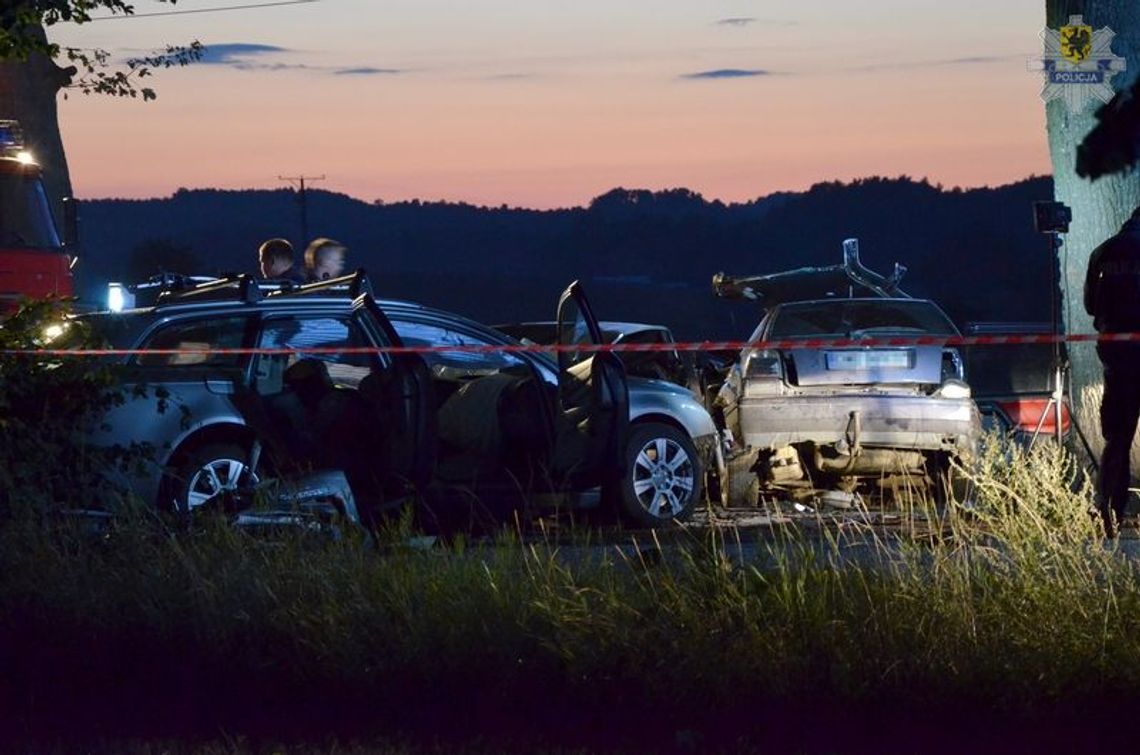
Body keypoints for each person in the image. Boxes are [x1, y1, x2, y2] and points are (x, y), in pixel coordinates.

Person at [1084, 205, 1140, 536]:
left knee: (1118, 436)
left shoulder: (1103, 251)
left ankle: (1110, 511)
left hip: (1116, 354)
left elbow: (1091, 304)